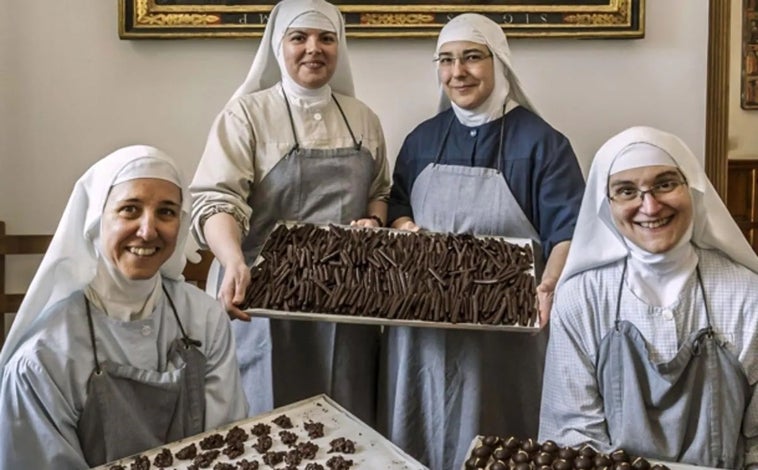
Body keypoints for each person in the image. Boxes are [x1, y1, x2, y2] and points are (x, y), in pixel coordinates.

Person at [379, 13, 585, 470]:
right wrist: (407, 229)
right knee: (423, 431)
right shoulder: (421, 139)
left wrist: (548, 285)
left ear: (500, 63)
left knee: (501, 439)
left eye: (473, 57)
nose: (459, 72)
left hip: (507, 329)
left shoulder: (542, 144)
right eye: (447, 60)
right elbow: (396, 206)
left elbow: (568, 229)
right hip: (424, 324)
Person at [190, 0, 390, 423]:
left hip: (346, 298)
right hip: (260, 296)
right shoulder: (246, 115)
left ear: (340, 47)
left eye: (326, 38)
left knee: (344, 423)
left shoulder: (363, 119)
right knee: (265, 424)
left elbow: (380, 191)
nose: (313, 49)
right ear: (279, 46)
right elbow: (216, 202)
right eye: (299, 38)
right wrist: (231, 261)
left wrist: (373, 219)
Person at [0, 146, 247, 468]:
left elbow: (226, 441)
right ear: (95, 220)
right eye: (130, 209)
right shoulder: (42, 358)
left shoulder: (204, 318)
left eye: (167, 212)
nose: (148, 231)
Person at [538, 126, 758, 468]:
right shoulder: (581, 299)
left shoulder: (748, 296)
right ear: (605, 205)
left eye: (665, 184)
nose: (650, 206)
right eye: (627, 191)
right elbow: (573, 436)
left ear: (693, 188)